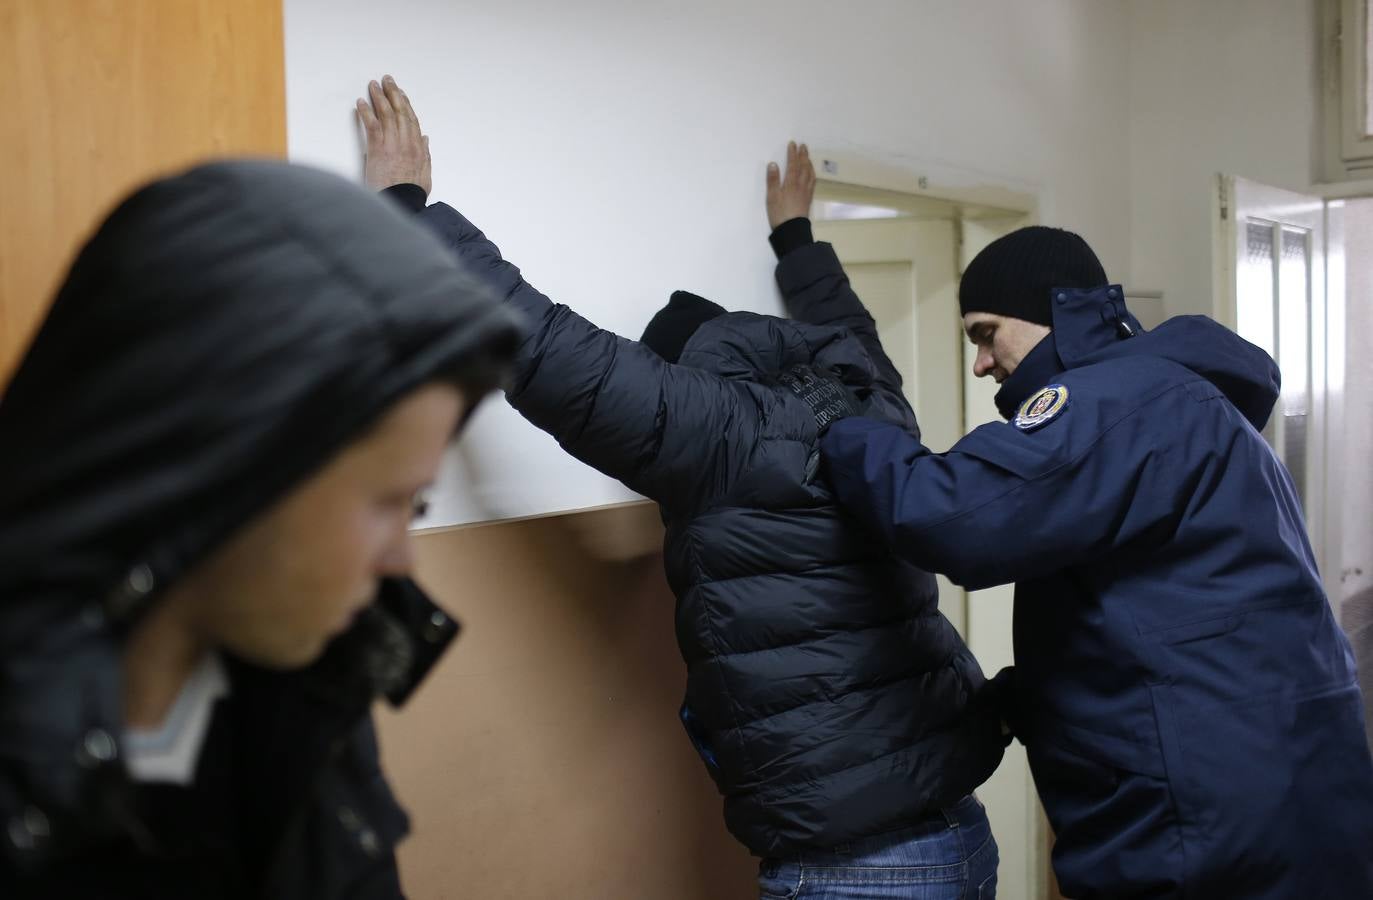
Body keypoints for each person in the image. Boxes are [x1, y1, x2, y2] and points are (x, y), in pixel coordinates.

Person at [358, 76, 1004, 898]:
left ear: (680, 373)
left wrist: (407, 208)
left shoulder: (718, 430)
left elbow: (554, 355)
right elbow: (850, 325)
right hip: (955, 827)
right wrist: (796, 238)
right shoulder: (870, 396)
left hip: (860, 868)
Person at [0, 160, 523, 898]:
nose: (402, 562)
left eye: (418, 507)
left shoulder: (308, 680)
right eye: (383, 502)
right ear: (233, 466)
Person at [814, 221, 1373, 897]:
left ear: (1053, 312)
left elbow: (949, 517)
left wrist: (838, 427)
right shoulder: (1179, 397)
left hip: (1205, 819)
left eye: (985, 333)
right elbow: (1167, 612)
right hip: (1271, 783)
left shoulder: (1120, 401)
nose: (980, 363)